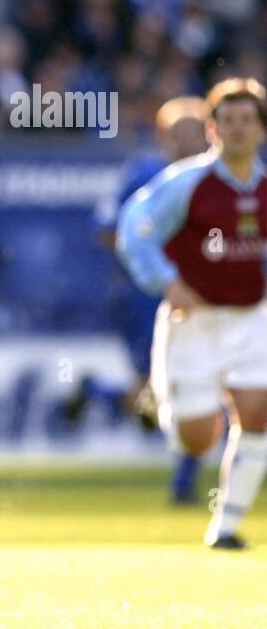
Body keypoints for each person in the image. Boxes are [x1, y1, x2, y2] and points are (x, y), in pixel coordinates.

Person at [116, 78, 267, 549]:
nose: (238, 130)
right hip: (193, 323)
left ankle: (224, 527)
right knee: (196, 441)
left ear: (261, 130)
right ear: (211, 128)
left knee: (258, 418)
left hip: (251, 318)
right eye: (228, 121)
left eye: (247, 121)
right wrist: (166, 281)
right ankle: (167, 405)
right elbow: (134, 230)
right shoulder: (186, 183)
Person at [69, 95, 210, 501]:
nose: (193, 138)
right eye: (184, 130)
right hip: (145, 296)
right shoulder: (144, 174)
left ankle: (99, 393)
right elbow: (108, 229)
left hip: (197, 295)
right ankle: (183, 482)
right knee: (169, 387)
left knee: (182, 385)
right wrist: (153, 260)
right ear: (165, 135)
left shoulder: (210, 179)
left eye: (199, 129)